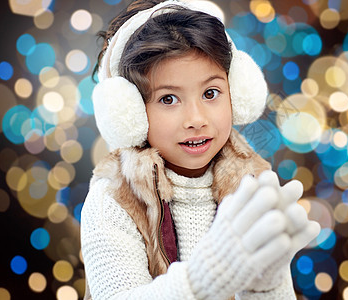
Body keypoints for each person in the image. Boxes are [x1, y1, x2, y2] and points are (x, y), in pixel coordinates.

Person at [80, 0, 320, 299]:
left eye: (210, 93)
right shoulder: (113, 198)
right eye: (168, 99)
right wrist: (203, 279)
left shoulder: (253, 185)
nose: (196, 120)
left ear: (236, 91)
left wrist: (267, 283)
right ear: (131, 113)